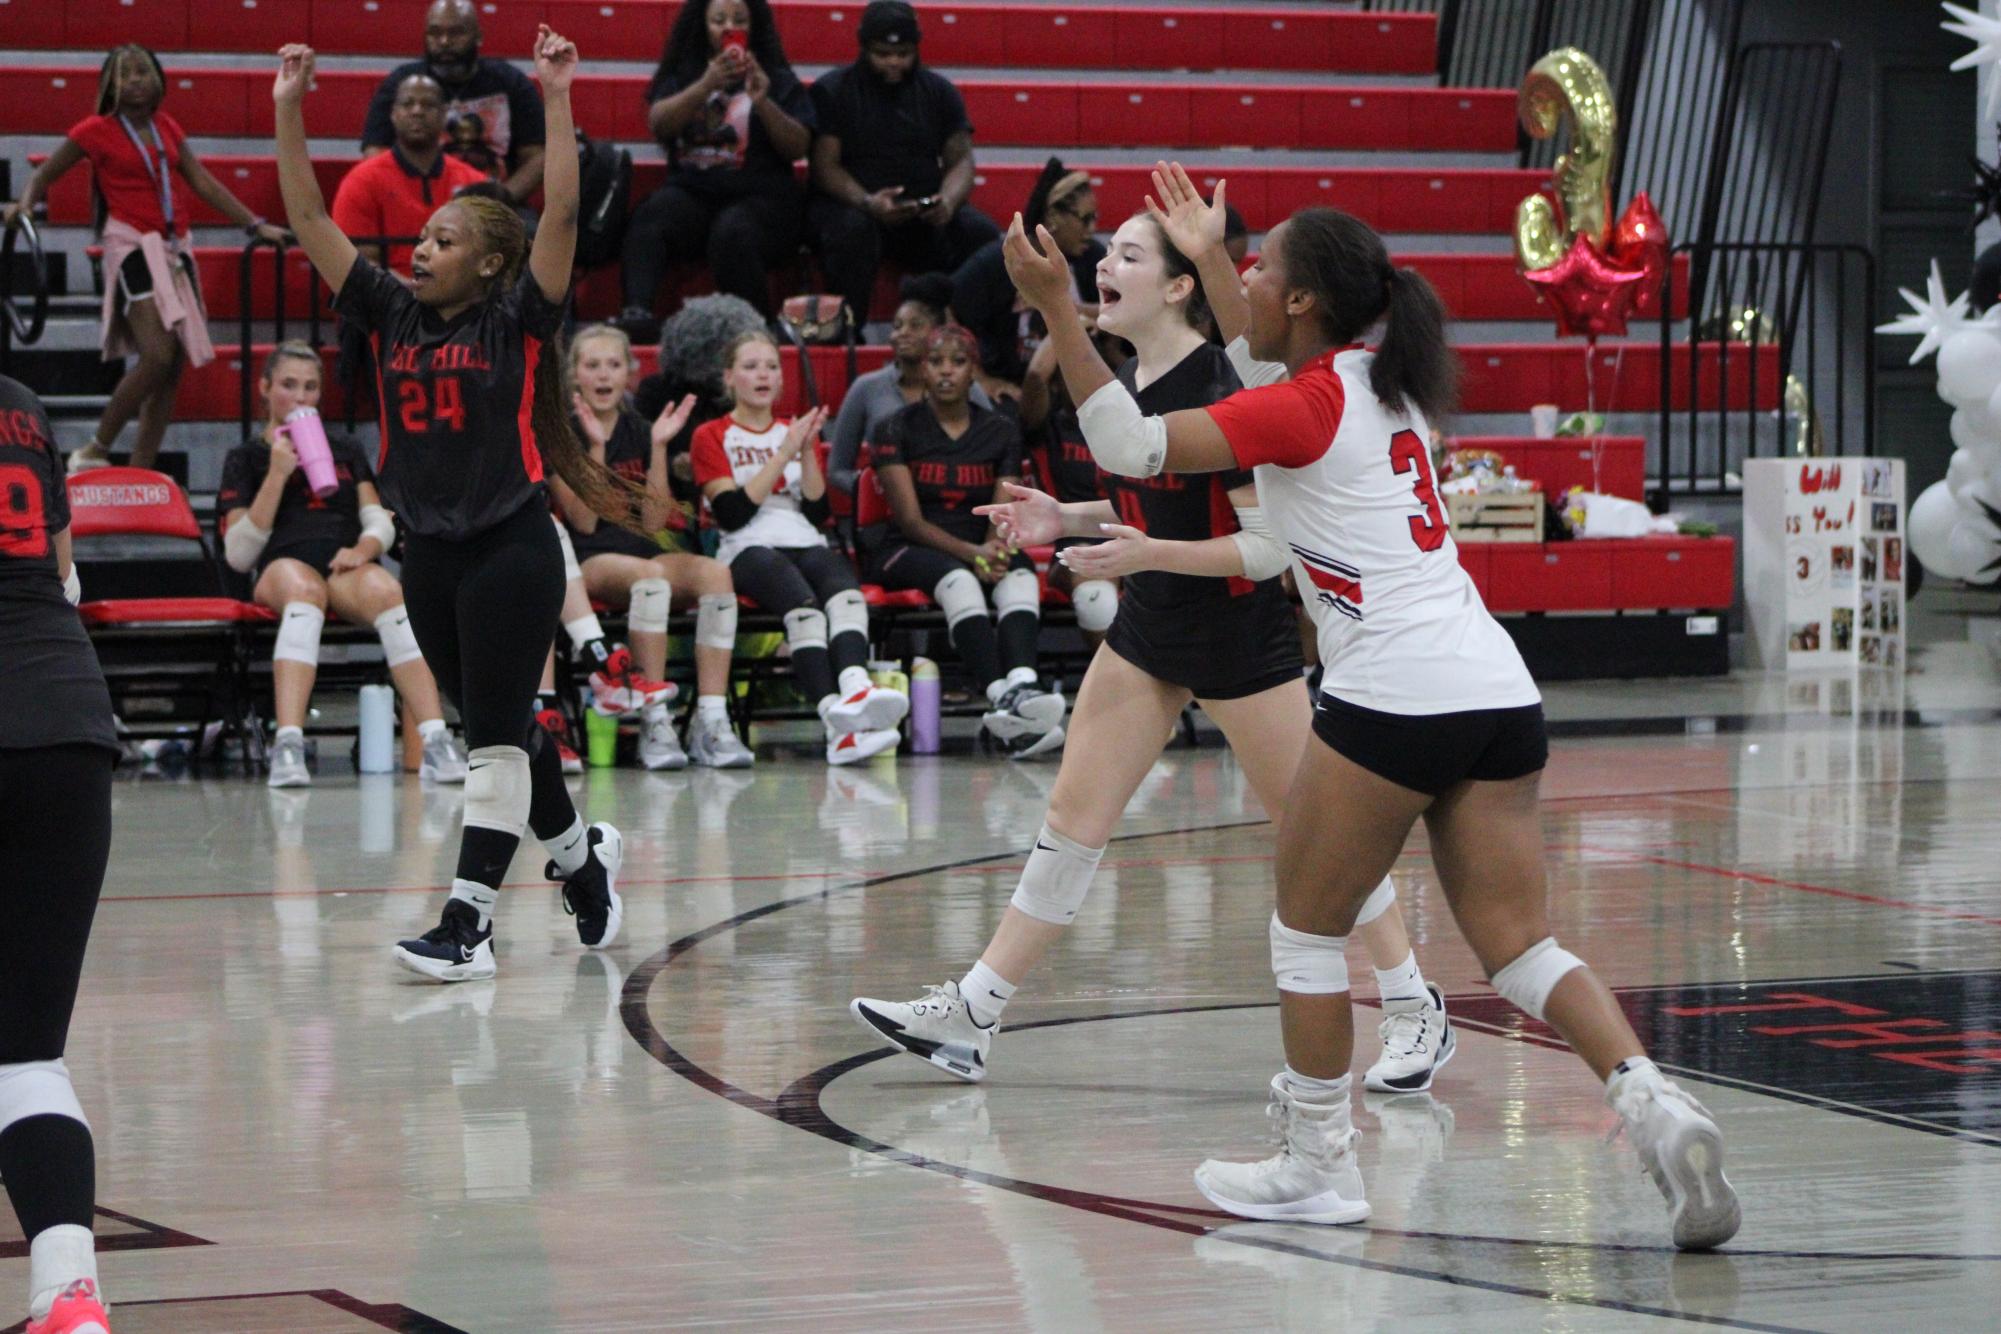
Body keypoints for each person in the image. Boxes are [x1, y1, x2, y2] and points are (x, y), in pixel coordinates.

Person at [1001, 168, 1740, 1249]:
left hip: (1394, 693)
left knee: (1304, 931)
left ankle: (1316, 1165)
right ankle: (1651, 1099)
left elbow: (1129, 446)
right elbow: (1263, 351)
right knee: (1521, 948)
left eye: (1258, 267)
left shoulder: (1305, 403)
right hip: (1495, 685)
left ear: (1303, 301)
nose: (1240, 277)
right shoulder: (1375, 380)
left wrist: (1058, 309)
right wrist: (1211, 255)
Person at [852, 202, 1449, 1094]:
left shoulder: (1224, 386)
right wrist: (1069, 517)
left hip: (1236, 635)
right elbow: (1155, 495)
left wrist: (1147, 552)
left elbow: (1267, 546)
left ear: (1178, 286)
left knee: (1317, 838)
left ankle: (1412, 1007)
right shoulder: (1125, 381)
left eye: (1128, 254)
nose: (1104, 264)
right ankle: (975, 1011)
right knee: (1069, 824)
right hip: (1149, 627)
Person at [275, 29, 631, 983]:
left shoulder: (516, 316)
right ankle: (578, 863)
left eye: (443, 240)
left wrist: (556, 93)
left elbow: (559, 205)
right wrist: (287, 107)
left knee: (490, 743)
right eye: (422, 237)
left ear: (486, 265)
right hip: (427, 556)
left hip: (512, 546)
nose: (422, 249)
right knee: (502, 730)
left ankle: (465, 926)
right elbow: (308, 217)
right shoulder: (390, 311)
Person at [3, 45, 288, 474]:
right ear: (109, 86)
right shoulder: (94, 129)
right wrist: (24, 204)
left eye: (143, 71)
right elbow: (44, 175)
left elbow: (203, 183)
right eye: (125, 74)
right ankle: (95, 449)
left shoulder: (166, 127)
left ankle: (141, 469)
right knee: (156, 353)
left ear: (159, 78)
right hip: (133, 245)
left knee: (172, 366)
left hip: (175, 249)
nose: (135, 80)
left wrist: (254, 224)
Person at [217, 342, 467, 789]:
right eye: (289, 385)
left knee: (391, 594)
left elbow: (377, 517)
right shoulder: (247, 457)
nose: (301, 397)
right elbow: (239, 553)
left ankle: (436, 740)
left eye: (311, 387)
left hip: (341, 560)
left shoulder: (346, 447)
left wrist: (367, 547)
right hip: (283, 563)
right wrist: (277, 474)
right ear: (265, 388)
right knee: (305, 594)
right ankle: (288, 746)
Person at [0, 375, 116, 1334]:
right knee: (28, 1053)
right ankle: (66, 1296)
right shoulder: (23, 404)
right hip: (65, 719)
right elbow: (67, 578)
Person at [691, 330, 909, 764]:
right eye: (751, 366)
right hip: (746, 546)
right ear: (730, 377)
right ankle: (836, 726)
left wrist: (807, 449)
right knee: (805, 611)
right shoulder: (711, 435)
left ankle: (854, 687)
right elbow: (733, 513)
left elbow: (815, 511)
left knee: (847, 596)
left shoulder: (795, 431)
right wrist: (784, 451)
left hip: (802, 537)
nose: (763, 375)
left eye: (772, 366)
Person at [562, 324, 753, 770]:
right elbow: (584, 520)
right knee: (651, 580)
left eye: (614, 364)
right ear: (576, 375)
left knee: (715, 574)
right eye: (592, 365)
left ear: (629, 374)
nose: (604, 375)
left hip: (644, 554)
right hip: (589, 559)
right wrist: (596, 445)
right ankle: (655, 719)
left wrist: (659, 447)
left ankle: (711, 719)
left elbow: (652, 522)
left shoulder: (642, 429)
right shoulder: (563, 434)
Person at [867, 325, 1064, 756]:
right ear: (921, 369)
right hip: (907, 547)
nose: (946, 372)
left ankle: (1022, 686)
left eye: (958, 362)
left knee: (1020, 573)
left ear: (973, 371)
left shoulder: (1000, 431)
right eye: (935, 362)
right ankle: (998, 694)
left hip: (979, 544)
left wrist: (994, 551)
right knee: (960, 579)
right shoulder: (894, 428)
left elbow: (1002, 510)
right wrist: (975, 555)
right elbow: (911, 521)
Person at [617, 0, 814, 331]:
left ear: (754, 26)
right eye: (718, 20)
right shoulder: (686, 71)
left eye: (738, 20)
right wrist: (705, 85)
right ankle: (637, 315)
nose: (728, 28)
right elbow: (659, 123)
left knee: (733, 232)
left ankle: (756, 329)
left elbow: (798, 146)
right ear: (702, 25)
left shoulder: (775, 75)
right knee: (651, 215)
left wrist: (762, 101)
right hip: (694, 192)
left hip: (761, 199)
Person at [807, 1, 1000, 325]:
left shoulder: (939, 92)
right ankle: (847, 330)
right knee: (852, 231)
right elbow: (826, 167)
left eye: (903, 53)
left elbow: (961, 160)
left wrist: (948, 202)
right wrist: (868, 202)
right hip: (854, 207)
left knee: (980, 234)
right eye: (883, 54)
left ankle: (960, 330)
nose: (894, 62)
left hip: (920, 211)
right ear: (864, 47)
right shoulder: (834, 90)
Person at [359, 0, 546, 207]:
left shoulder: (511, 83)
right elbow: (375, 155)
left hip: (498, 204)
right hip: (415, 203)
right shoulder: (401, 85)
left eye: (456, 33)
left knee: (533, 233)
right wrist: (411, 203)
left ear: (478, 36)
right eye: (435, 33)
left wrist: (499, 200)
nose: (445, 41)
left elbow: (537, 158)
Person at [825, 272, 989, 496]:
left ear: (937, 333)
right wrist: (874, 490)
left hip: (954, 507)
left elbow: (992, 453)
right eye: (897, 325)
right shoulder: (866, 387)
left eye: (915, 325)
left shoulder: (966, 388)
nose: (902, 333)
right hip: (886, 515)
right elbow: (837, 470)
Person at [952, 157, 1103, 393]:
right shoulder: (999, 261)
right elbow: (945, 308)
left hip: (1076, 391)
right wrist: (981, 379)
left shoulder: (1091, 257)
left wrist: (1060, 306)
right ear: (1052, 217)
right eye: (1085, 219)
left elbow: (1122, 309)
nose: (1092, 229)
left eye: (1095, 218)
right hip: (1010, 389)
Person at [333, 71, 488, 275]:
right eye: (408, 104)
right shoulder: (361, 181)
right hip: (387, 301)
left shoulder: (473, 182)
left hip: (458, 298)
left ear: (444, 115)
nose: (417, 111)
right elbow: (356, 264)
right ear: (394, 114)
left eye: (428, 105)